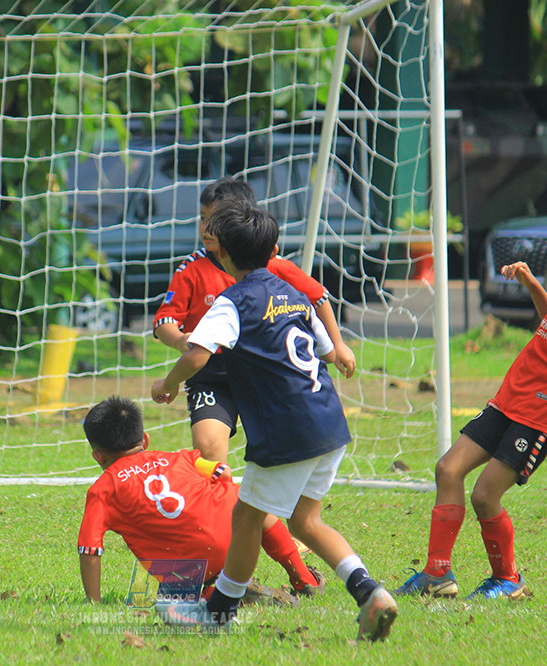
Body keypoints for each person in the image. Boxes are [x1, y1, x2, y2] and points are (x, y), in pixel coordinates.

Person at [150, 199, 398, 641]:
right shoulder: (293, 295)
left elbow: (198, 354)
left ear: (221, 252)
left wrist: (166, 386)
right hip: (330, 423)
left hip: (288, 432)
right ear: (274, 249)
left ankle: (219, 612)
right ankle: (369, 592)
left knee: (246, 517)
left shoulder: (232, 303)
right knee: (307, 521)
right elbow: (323, 348)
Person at [394, 199, 547, 600]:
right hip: (511, 401)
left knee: (485, 496)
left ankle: (509, 579)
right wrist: (532, 285)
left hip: (539, 416)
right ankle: (437, 573)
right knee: (448, 469)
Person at [152, 176, 356, 463]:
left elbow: (318, 297)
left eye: (217, 221)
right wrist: (181, 339)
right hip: (213, 373)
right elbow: (163, 322)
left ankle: (270, 502)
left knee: (287, 448)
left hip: (265, 369)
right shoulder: (190, 269)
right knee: (207, 445)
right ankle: (222, 502)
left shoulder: (271, 266)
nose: (207, 228)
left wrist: (338, 344)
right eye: (202, 218)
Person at [77, 395, 325, 605]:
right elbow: (222, 472)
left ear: (98, 456)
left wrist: (94, 602)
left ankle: (215, 591)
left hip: (185, 570)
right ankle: (304, 579)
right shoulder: (183, 458)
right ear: (145, 439)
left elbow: (90, 550)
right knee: (247, 503)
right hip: (236, 538)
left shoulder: (102, 490)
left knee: (171, 589)